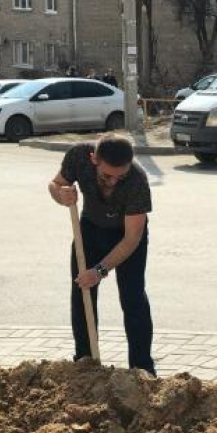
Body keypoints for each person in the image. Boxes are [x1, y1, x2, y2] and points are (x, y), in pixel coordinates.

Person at [48, 135, 156, 376]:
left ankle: (142, 369)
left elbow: (131, 239)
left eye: (121, 176)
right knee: (82, 289)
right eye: (107, 176)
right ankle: (85, 362)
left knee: (133, 296)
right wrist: (60, 195)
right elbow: (55, 184)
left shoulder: (137, 181)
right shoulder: (78, 157)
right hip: (91, 227)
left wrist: (100, 270)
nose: (114, 182)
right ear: (94, 159)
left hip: (127, 235)